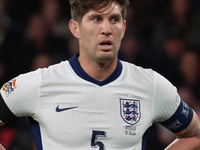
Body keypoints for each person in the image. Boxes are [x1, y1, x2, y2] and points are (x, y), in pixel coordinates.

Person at [0, 0, 200, 149]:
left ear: (124, 28)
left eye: (114, 20)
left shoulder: (151, 84)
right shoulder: (40, 83)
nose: (106, 29)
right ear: (75, 28)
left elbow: (195, 135)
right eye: (96, 19)